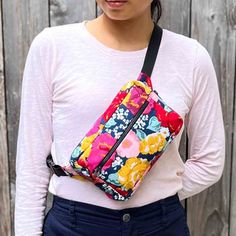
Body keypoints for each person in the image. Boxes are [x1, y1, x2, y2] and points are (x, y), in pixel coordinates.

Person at [14, 0, 225, 235]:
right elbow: (31, 168)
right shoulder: (52, 46)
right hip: (73, 225)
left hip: (160, 224)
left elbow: (210, 161)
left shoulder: (191, 57)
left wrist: (156, 192)